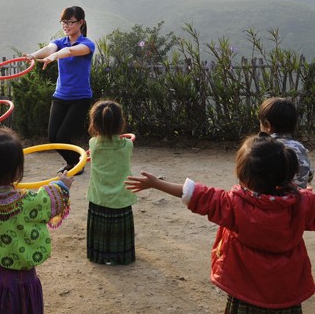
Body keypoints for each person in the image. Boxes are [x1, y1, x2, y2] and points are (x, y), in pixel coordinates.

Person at [125, 134, 315, 313]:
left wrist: (156, 183)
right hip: (286, 289)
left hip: (245, 290)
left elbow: (195, 194)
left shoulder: (234, 205)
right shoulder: (301, 203)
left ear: (244, 177)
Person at [0, 127, 72, 314]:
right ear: (17, 171)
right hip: (18, 284)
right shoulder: (27, 203)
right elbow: (49, 198)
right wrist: (63, 184)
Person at [24, 6, 95, 174]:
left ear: (81, 22)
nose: (66, 25)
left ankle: (76, 165)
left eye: (70, 22)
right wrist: (34, 55)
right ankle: (74, 162)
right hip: (60, 96)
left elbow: (69, 51)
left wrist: (54, 57)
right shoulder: (59, 42)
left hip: (80, 98)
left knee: (63, 136)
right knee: (53, 137)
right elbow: (50, 48)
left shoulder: (87, 44)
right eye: (64, 22)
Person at [86, 100, 136, 265]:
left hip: (99, 197)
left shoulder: (93, 145)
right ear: (121, 123)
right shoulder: (127, 145)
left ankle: (99, 255)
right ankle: (122, 256)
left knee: (101, 228)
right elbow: (118, 142)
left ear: (94, 124)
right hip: (121, 198)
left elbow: (103, 140)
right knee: (119, 228)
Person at [258, 97, 313, 189]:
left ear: (267, 125)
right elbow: (308, 175)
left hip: (271, 200)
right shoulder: (300, 147)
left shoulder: (262, 147)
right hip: (297, 199)